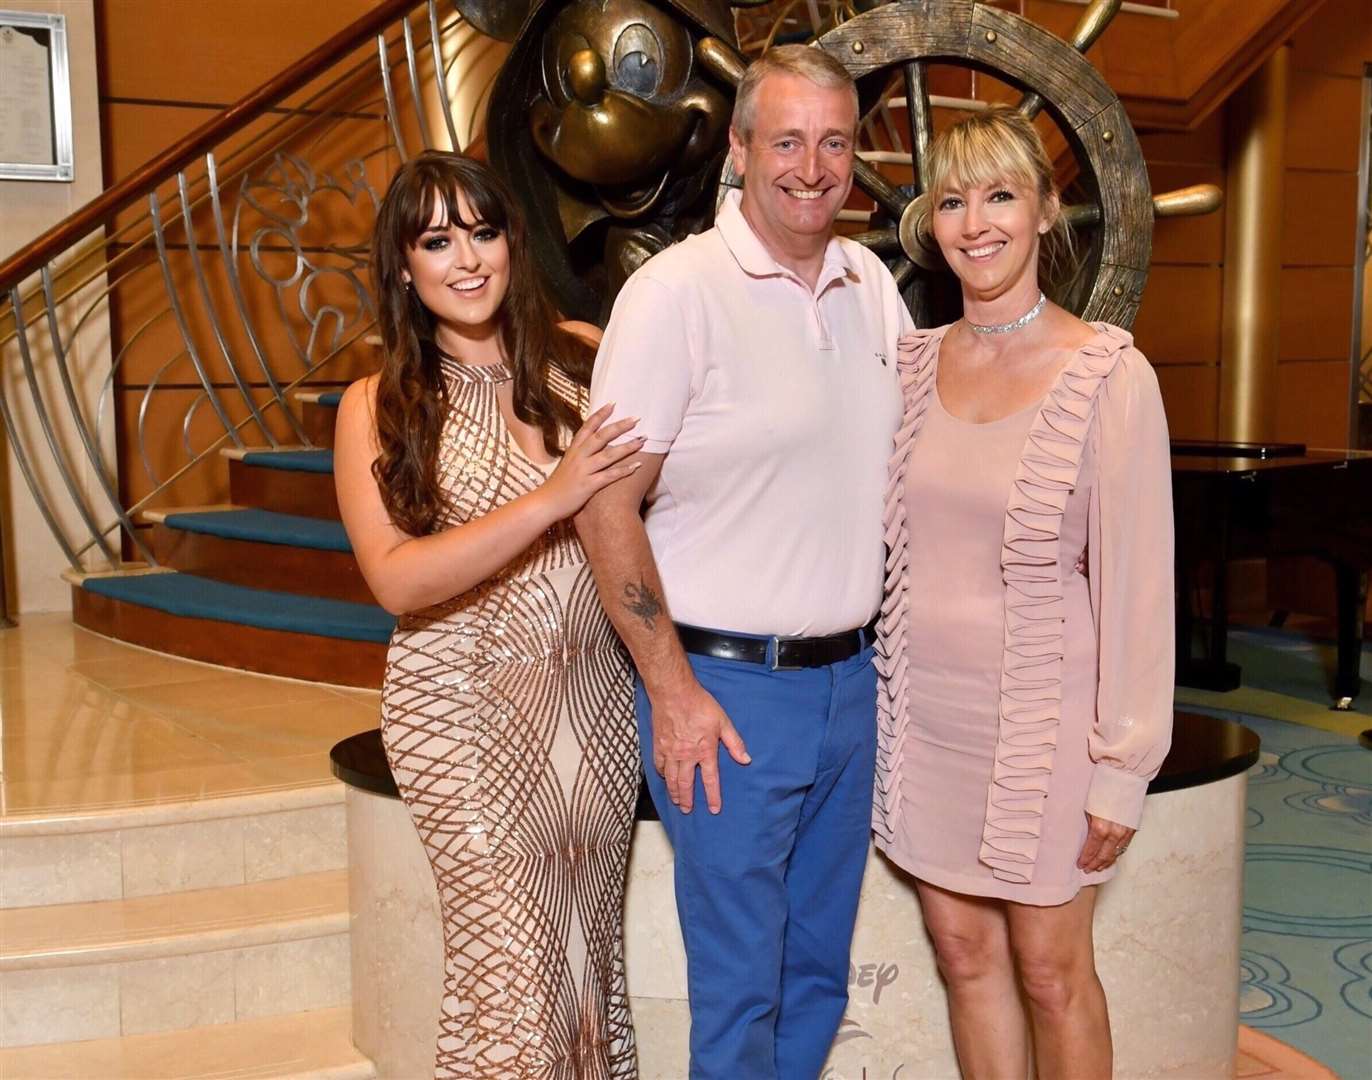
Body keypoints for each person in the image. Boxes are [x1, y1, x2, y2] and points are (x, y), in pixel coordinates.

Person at [575, 45, 914, 1079]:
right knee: (739, 988)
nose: (811, 168)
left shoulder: (870, 285)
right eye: (785, 141)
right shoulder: (675, 294)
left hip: (851, 687)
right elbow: (604, 505)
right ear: (738, 148)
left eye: (834, 143)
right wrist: (670, 690)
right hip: (724, 693)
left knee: (815, 972)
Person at [877, 105, 1175, 1078]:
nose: (977, 223)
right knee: (965, 959)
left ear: (1047, 210)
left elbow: (1139, 587)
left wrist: (1122, 767)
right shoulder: (909, 366)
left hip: (1046, 729)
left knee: (1052, 973)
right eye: (953, 201)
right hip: (923, 721)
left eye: (1001, 194)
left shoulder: (1108, 374)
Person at [333, 151, 643, 1078]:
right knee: (513, 971)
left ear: (512, 241)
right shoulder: (377, 405)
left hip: (592, 712)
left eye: (483, 230)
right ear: (403, 266)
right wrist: (552, 497)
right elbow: (396, 580)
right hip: (460, 718)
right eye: (436, 240)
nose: (466, 260)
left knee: (589, 976)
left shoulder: (583, 355)